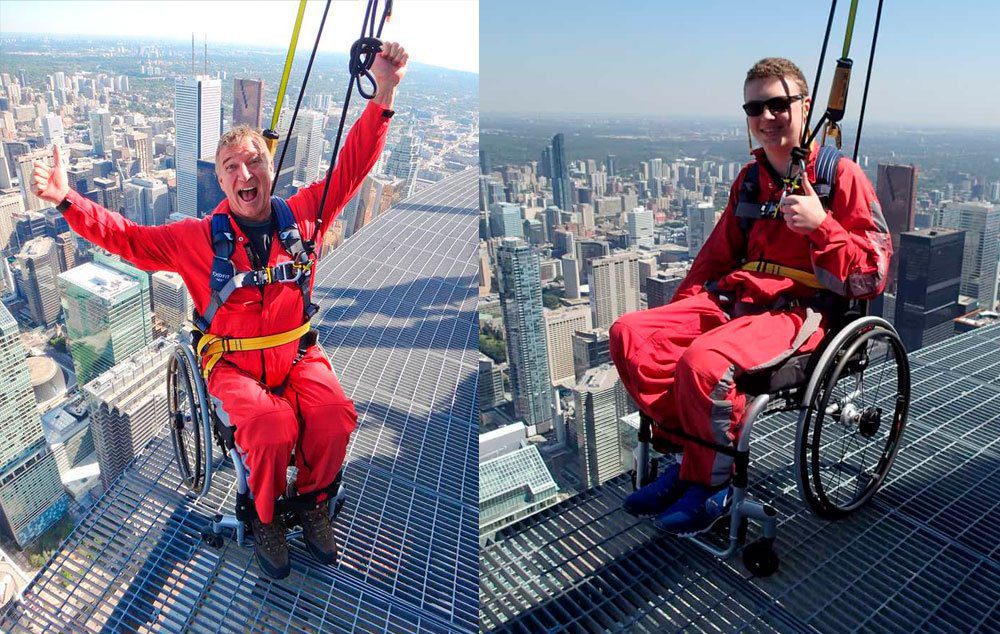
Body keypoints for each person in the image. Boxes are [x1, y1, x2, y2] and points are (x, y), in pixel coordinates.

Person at [33, 42, 409, 579]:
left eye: (255, 160)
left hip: (297, 352)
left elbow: (351, 169)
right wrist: (70, 201)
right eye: (232, 166)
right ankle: (264, 520)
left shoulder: (303, 216)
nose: (245, 172)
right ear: (222, 180)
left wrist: (384, 93)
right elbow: (129, 238)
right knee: (271, 427)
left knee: (332, 416)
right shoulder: (196, 239)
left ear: (270, 169)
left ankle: (314, 502)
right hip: (230, 362)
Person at [611, 57, 890, 535]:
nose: (766, 116)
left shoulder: (841, 178)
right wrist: (683, 309)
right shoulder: (750, 181)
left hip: (798, 311)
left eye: (778, 104)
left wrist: (823, 227)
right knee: (631, 335)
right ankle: (690, 460)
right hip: (737, 301)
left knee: (705, 363)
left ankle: (712, 486)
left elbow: (872, 275)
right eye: (755, 106)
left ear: (805, 106)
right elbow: (715, 258)